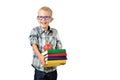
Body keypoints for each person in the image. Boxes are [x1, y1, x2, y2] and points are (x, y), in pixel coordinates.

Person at [29, 6, 62, 80]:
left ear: (51, 19)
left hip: (52, 70)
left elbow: (59, 46)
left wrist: (59, 58)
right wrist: (40, 56)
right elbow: (34, 44)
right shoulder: (35, 30)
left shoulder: (55, 32)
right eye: (41, 17)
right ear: (37, 19)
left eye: (46, 17)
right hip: (39, 69)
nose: (43, 20)